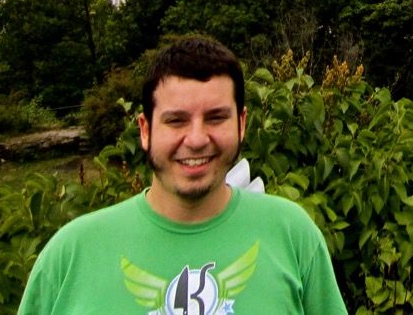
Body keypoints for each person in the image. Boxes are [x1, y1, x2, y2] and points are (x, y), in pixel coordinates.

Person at [19, 36, 347, 314]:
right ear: (145, 131)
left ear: (242, 124)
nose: (196, 139)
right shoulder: (71, 255)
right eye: (176, 121)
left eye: (216, 118)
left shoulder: (293, 236)